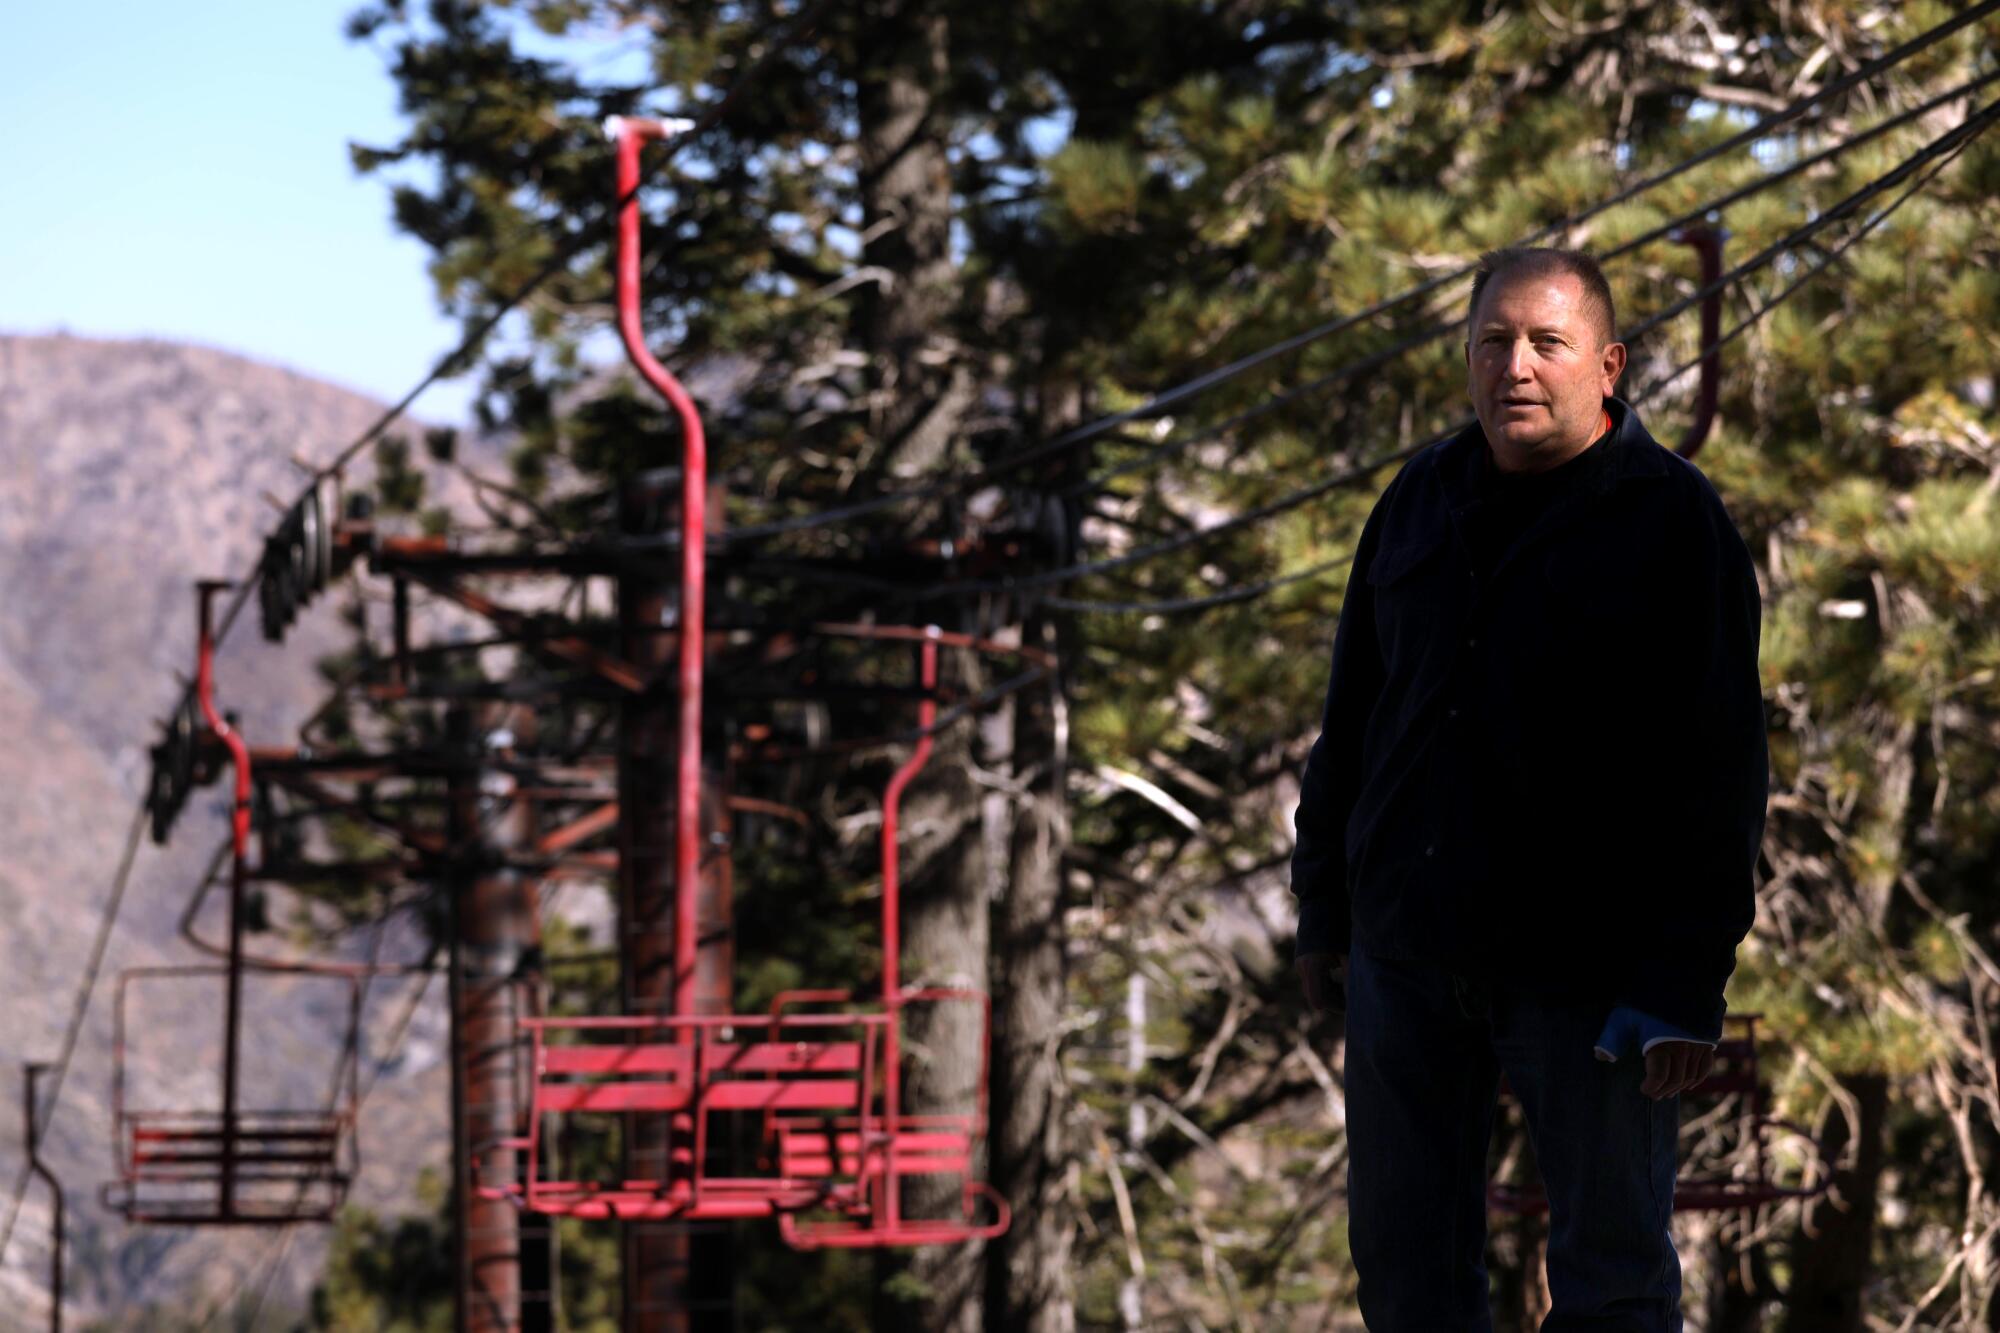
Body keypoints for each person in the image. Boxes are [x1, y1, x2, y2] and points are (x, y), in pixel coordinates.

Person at [1289, 246, 1768, 1331]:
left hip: (1589, 977)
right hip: (1405, 954)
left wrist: (1681, 986)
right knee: (1405, 1275)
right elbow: (1354, 721)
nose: (1514, 365)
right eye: (1491, 341)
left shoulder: (1669, 522)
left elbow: (1719, 770)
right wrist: (1323, 909)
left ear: (1605, 365)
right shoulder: (1415, 500)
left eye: (1544, 343)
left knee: (1610, 1280)